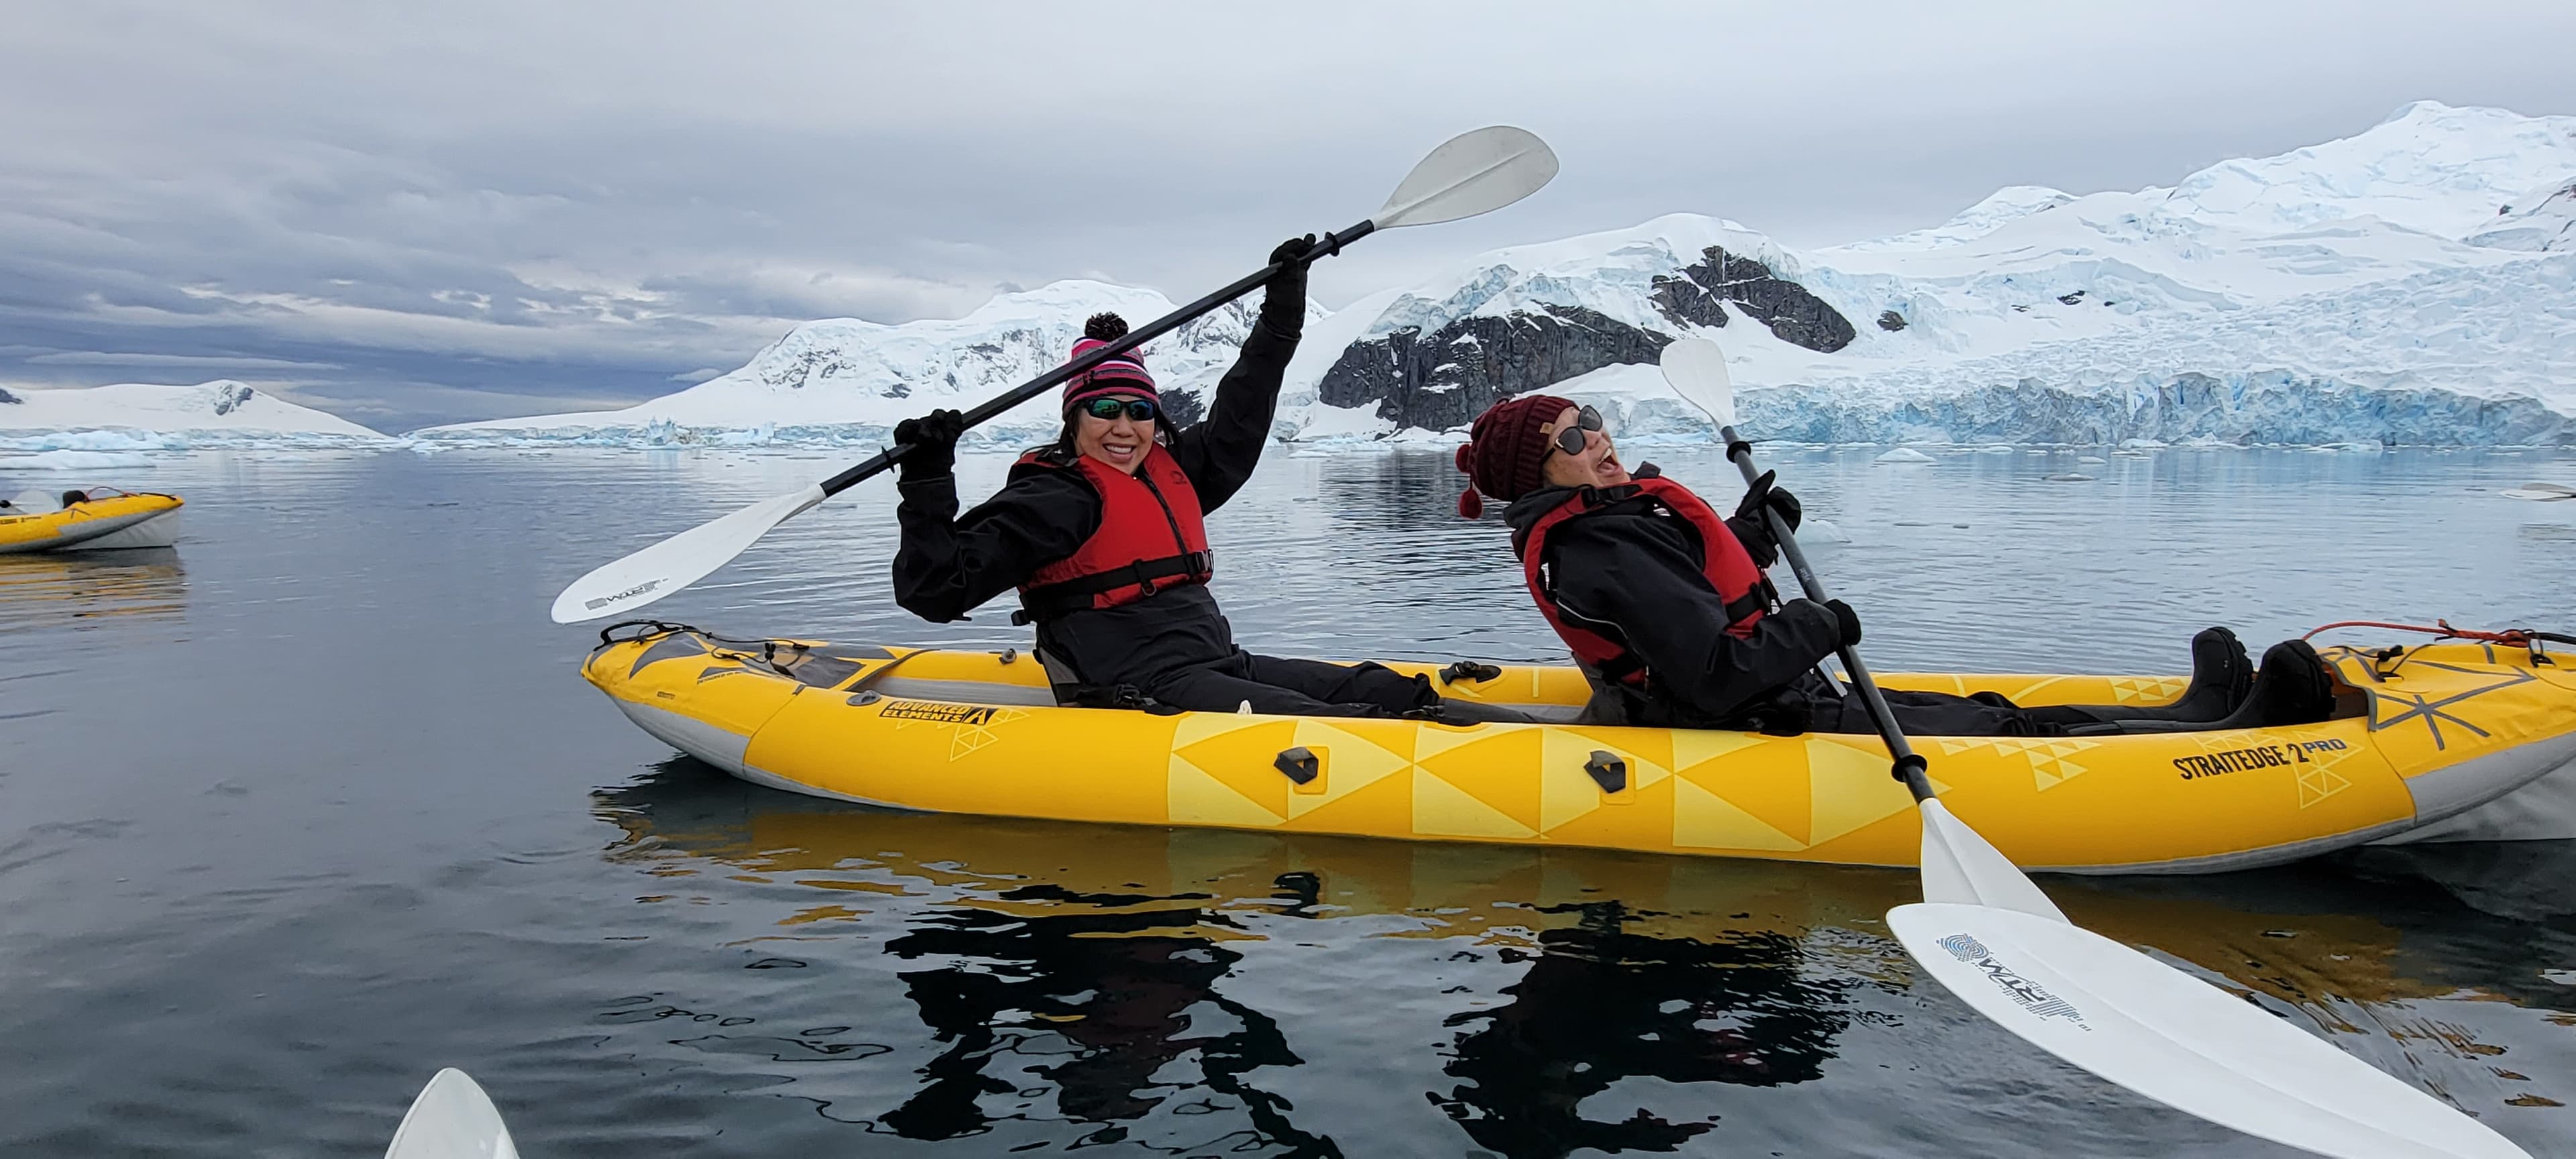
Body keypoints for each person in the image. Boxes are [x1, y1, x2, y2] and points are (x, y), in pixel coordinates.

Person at [1453, 392, 2336, 736]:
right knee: (2009, 736)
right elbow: (1718, 674)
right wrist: (1822, 624)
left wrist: (1748, 536)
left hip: (1772, 697)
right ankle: (2226, 735)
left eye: (1594, 419)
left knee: (1982, 708)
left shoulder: (1610, 525)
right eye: (1573, 438)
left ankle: (2198, 711)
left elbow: (1690, 601)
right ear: (1542, 473)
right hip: (1742, 725)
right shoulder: (1596, 545)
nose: (1599, 439)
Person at [893, 236, 1513, 721]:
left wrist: (1281, 315)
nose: (1125, 427)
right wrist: (926, 476)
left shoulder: (1174, 473)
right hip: (1135, 689)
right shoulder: (1055, 497)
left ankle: (1547, 737)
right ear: (1074, 419)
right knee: (1331, 717)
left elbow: (1243, 407)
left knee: (1378, 687)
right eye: (1104, 410)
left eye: (1140, 412)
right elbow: (935, 590)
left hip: (1217, 663)